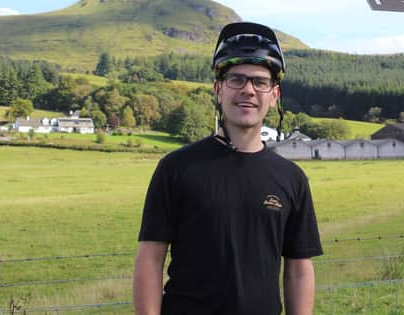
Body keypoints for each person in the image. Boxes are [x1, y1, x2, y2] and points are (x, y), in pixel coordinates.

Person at [133, 22, 323, 315]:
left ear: (274, 96)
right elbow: (150, 259)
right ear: (218, 89)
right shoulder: (176, 168)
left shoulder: (291, 178)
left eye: (260, 82)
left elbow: (298, 269)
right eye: (236, 79)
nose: (248, 90)